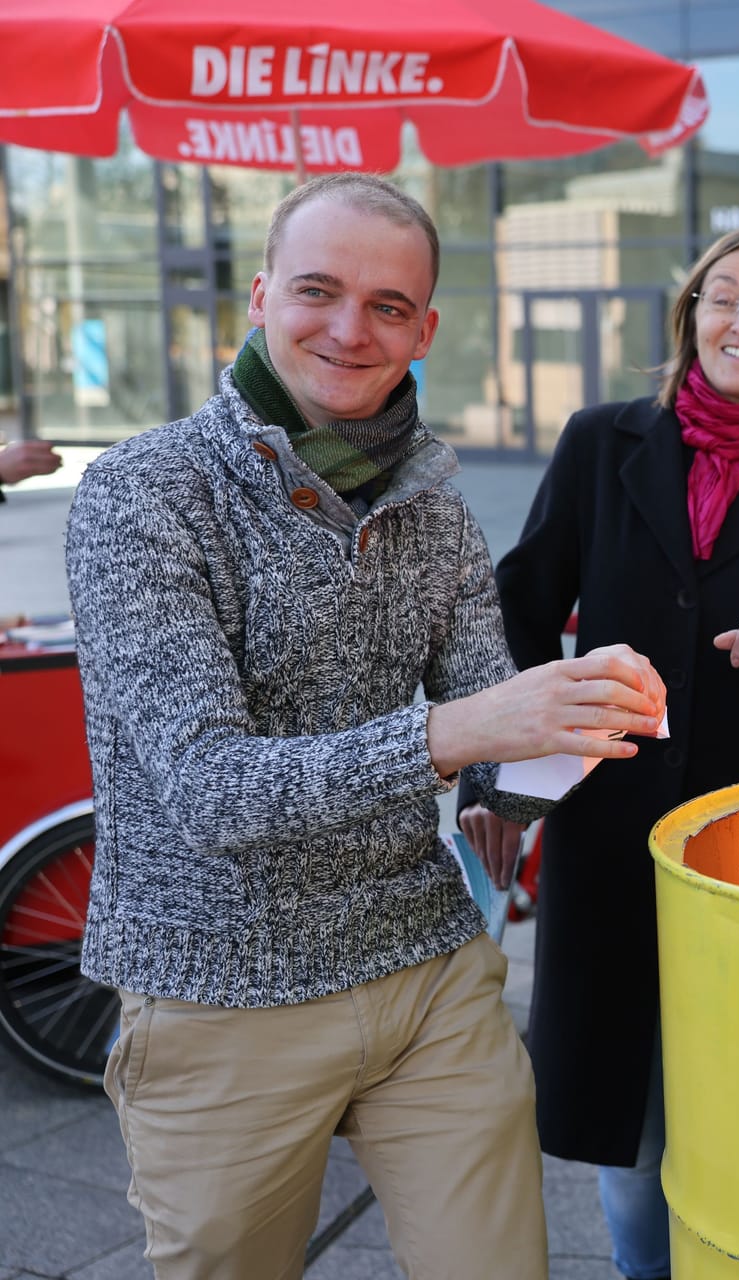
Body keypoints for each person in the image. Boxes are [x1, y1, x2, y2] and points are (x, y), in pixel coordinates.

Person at [63, 172, 667, 1280]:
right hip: (220, 988)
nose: (351, 328)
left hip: (426, 968)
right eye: (318, 290)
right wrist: (464, 730)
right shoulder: (142, 491)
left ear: (425, 328)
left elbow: (499, 764)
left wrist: (586, 720)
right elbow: (213, 791)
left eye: (389, 306)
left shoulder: (434, 506)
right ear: (258, 296)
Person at [457, 223, 739, 1280]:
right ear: (691, 315)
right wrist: (508, 767)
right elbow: (514, 610)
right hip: (609, 827)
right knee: (628, 1106)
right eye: (724, 295)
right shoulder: (601, 441)